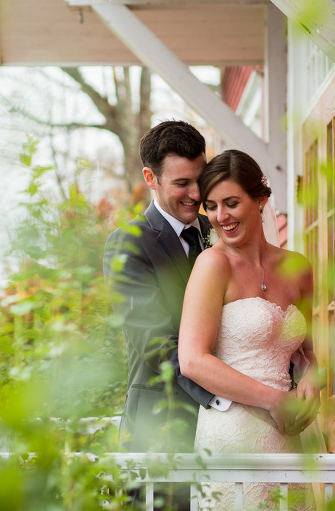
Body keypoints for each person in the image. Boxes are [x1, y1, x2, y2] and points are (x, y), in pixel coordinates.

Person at [178, 149, 321, 511]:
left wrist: (311, 382)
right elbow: (192, 360)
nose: (220, 216)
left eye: (231, 203)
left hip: (287, 434)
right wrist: (273, 400)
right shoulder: (212, 265)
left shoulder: (298, 267)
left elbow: (310, 353)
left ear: (260, 199)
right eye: (211, 206)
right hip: (231, 432)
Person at [103, 120, 224, 508]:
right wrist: (226, 397)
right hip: (160, 430)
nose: (196, 194)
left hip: (227, 436)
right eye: (182, 183)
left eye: (200, 180)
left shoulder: (221, 231)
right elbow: (155, 342)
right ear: (150, 178)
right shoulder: (128, 244)